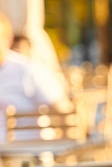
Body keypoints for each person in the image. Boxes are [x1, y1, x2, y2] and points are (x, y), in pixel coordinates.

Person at [0, 12, 73, 142]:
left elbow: (65, 112)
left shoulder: (28, 69)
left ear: (8, 39)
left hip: (28, 155)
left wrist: (66, 156)